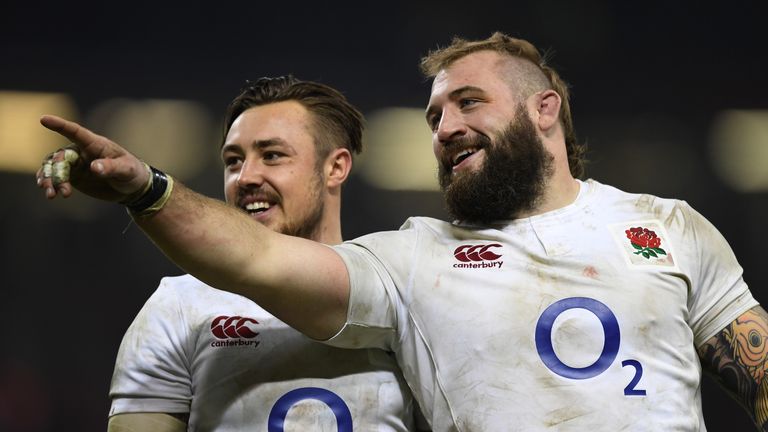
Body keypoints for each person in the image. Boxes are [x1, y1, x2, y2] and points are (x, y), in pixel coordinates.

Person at [37, 33, 767, 431]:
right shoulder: (411, 260)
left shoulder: (668, 226)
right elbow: (257, 258)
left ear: (544, 109)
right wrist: (148, 189)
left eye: (468, 102)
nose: (445, 128)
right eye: (434, 118)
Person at [102, 76, 426, 431]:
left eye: (272, 156)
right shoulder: (178, 306)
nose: (244, 177)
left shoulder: (402, 296)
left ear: (335, 167)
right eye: (233, 160)